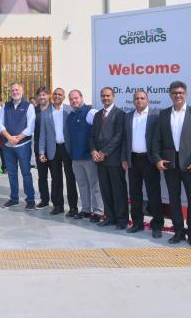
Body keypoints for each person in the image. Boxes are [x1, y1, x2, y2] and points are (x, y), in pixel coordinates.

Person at [152, 81, 191, 247]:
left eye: (181, 93)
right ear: (170, 95)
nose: (178, 95)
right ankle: (178, 231)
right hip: (170, 163)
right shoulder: (163, 114)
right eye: (175, 93)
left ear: (186, 94)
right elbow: (157, 139)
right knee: (173, 198)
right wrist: (158, 159)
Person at [121, 90, 162, 238]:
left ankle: (157, 225)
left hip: (149, 160)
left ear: (147, 100)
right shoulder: (128, 116)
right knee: (135, 193)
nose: (139, 100)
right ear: (133, 101)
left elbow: (160, 139)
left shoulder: (155, 115)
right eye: (137, 98)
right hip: (133, 159)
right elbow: (125, 139)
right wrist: (124, 158)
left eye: (142, 98)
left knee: (153, 193)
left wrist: (158, 158)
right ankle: (137, 223)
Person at [90, 87, 127, 228]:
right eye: (103, 96)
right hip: (100, 160)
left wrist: (104, 153)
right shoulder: (97, 115)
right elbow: (92, 135)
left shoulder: (120, 114)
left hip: (114, 159)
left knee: (118, 190)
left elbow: (118, 136)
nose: (105, 98)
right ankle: (110, 217)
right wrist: (94, 151)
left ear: (113, 97)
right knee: (105, 190)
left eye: (108, 95)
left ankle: (121, 220)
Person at [38, 87, 78, 216]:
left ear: (64, 97)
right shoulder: (45, 113)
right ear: (52, 96)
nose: (57, 96)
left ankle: (73, 207)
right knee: (56, 179)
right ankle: (58, 206)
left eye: (60, 94)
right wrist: (41, 152)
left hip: (67, 148)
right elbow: (43, 134)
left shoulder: (69, 110)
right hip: (53, 149)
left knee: (70, 178)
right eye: (55, 94)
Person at [0, 83, 37, 210]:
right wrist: (9, 138)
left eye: (16, 90)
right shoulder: (5, 106)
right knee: (12, 173)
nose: (14, 92)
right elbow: (0, 124)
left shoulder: (28, 106)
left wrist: (18, 138)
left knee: (26, 173)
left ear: (22, 91)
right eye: (12, 90)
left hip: (23, 145)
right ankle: (14, 199)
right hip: (8, 145)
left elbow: (30, 127)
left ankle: (30, 200)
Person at [65, 90, 101, 222]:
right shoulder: (70, 116)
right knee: (82, 185)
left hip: (89, 157)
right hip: (75, 158)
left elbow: (99, 132)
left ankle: (98, 211)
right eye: (71, 99)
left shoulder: (91, 113)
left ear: (81, 98)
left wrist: (96, 151)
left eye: (76, 98)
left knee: (95, 186)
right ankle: (86, 210)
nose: (74, 101)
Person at [33, 86, 51, 208]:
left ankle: (57, 201)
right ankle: (44, 200)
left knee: (56, 176)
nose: (42, 97)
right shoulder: (34, 111)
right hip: (39, 148)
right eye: (39, 95)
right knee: (42, 176)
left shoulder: (54, 109)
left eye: (44, 94)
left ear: (48, 95)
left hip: (54, 148)